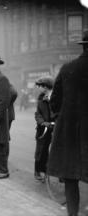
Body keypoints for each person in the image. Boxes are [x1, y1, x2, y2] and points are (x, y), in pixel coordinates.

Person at [48, 30, 88, 216]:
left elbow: (54, 101)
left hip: (70, 132)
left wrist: (63, 118)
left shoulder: (67, 68)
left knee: (71, 178)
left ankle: (73, 214)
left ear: (83, 45)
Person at [34, 76, 54, 181]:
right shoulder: (41, 98)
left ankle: (60, 174)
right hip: (43, 129)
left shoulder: (57, 97)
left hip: (56, 128)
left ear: (46, 86)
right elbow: (38, 114)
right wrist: (43, 123)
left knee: (58, 150)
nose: (39, 88)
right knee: (41, 151)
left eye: (40, 86)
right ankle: (38, 171)